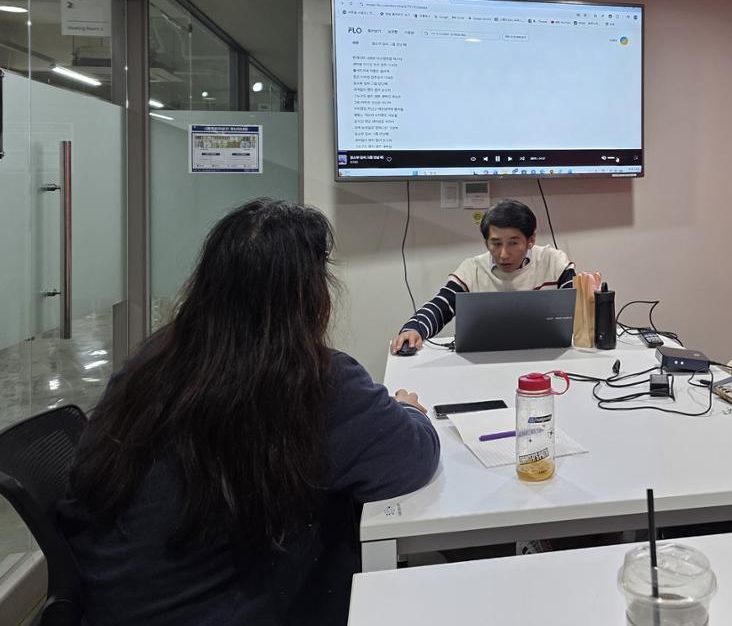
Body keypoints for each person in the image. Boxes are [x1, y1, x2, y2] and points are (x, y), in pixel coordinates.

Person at [60, 199, 440, 626]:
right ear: (310, 294)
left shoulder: (154, 357)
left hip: (113, 604)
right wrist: (409, 410)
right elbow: (412, 457)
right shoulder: (313, 380)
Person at [392, 198, 575, 353]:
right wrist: (414, 329)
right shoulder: (473, 269)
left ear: (531, 240)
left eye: (513, 243)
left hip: (546, 358)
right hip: (484, 360)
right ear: (486, 243)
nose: (504, 254)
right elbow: (441, 305)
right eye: (496, 243)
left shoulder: (554, 263)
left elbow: (579, 309)